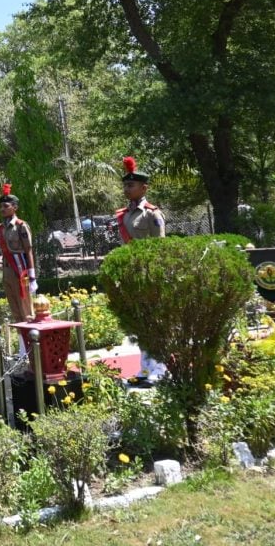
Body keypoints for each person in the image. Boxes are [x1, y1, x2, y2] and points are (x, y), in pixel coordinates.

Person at [115, 156, 167, 383]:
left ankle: (159, 367)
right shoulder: (124, 214)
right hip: (132, 273)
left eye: (131, 185)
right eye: (125, 185)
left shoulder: (152, 214)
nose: (127, 189)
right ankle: (144, 368)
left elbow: (160, 248)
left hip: (149, 272)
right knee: (139, 321)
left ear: (144, 188)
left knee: (154, 320)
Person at [0, 184, 37, 355]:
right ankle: (22, 347)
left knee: (26, 310)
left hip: (21, 271)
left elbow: (28, 250)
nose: (3, 209)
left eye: (6, 206)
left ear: (15, 207)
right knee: (15, 310)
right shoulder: (0, 228)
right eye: (1, 206)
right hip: (7, 271)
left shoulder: (21, 226)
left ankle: (33, 346)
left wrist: (33, 277)